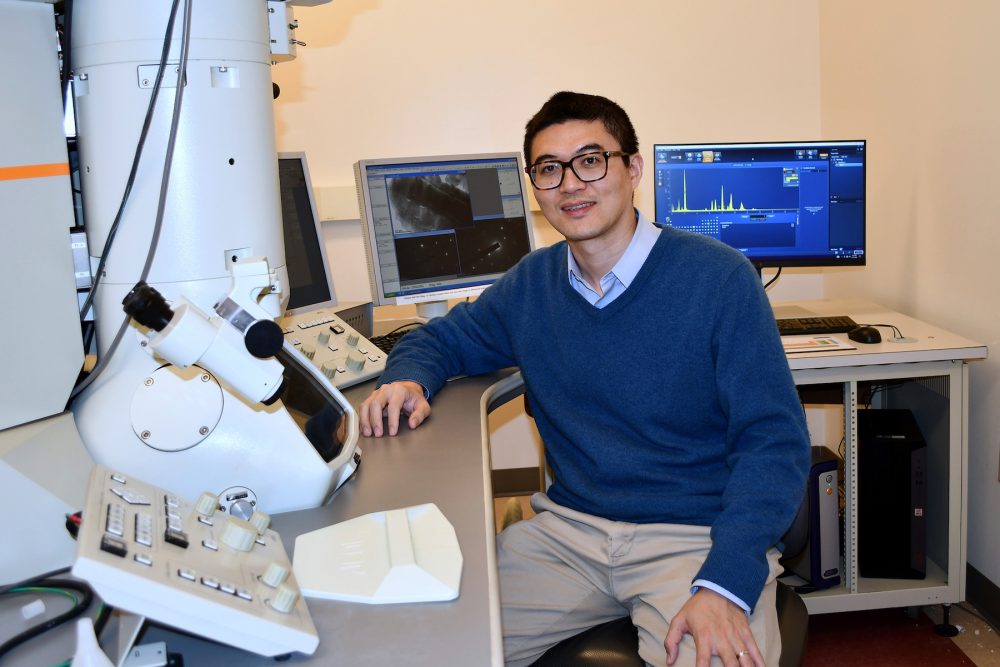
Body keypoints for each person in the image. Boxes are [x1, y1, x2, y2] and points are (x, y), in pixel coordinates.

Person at [359, 91, 810, 667]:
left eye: (591, 160)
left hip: (693, 537)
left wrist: (726, 580)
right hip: (567, 536)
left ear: (633, 169)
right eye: (549, 169)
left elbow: (773, 443)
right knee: (424, 645)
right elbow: (439, 338)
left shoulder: (719, 279)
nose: (570, 183)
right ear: (535, 187)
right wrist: (409, 381)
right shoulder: (532, 284)